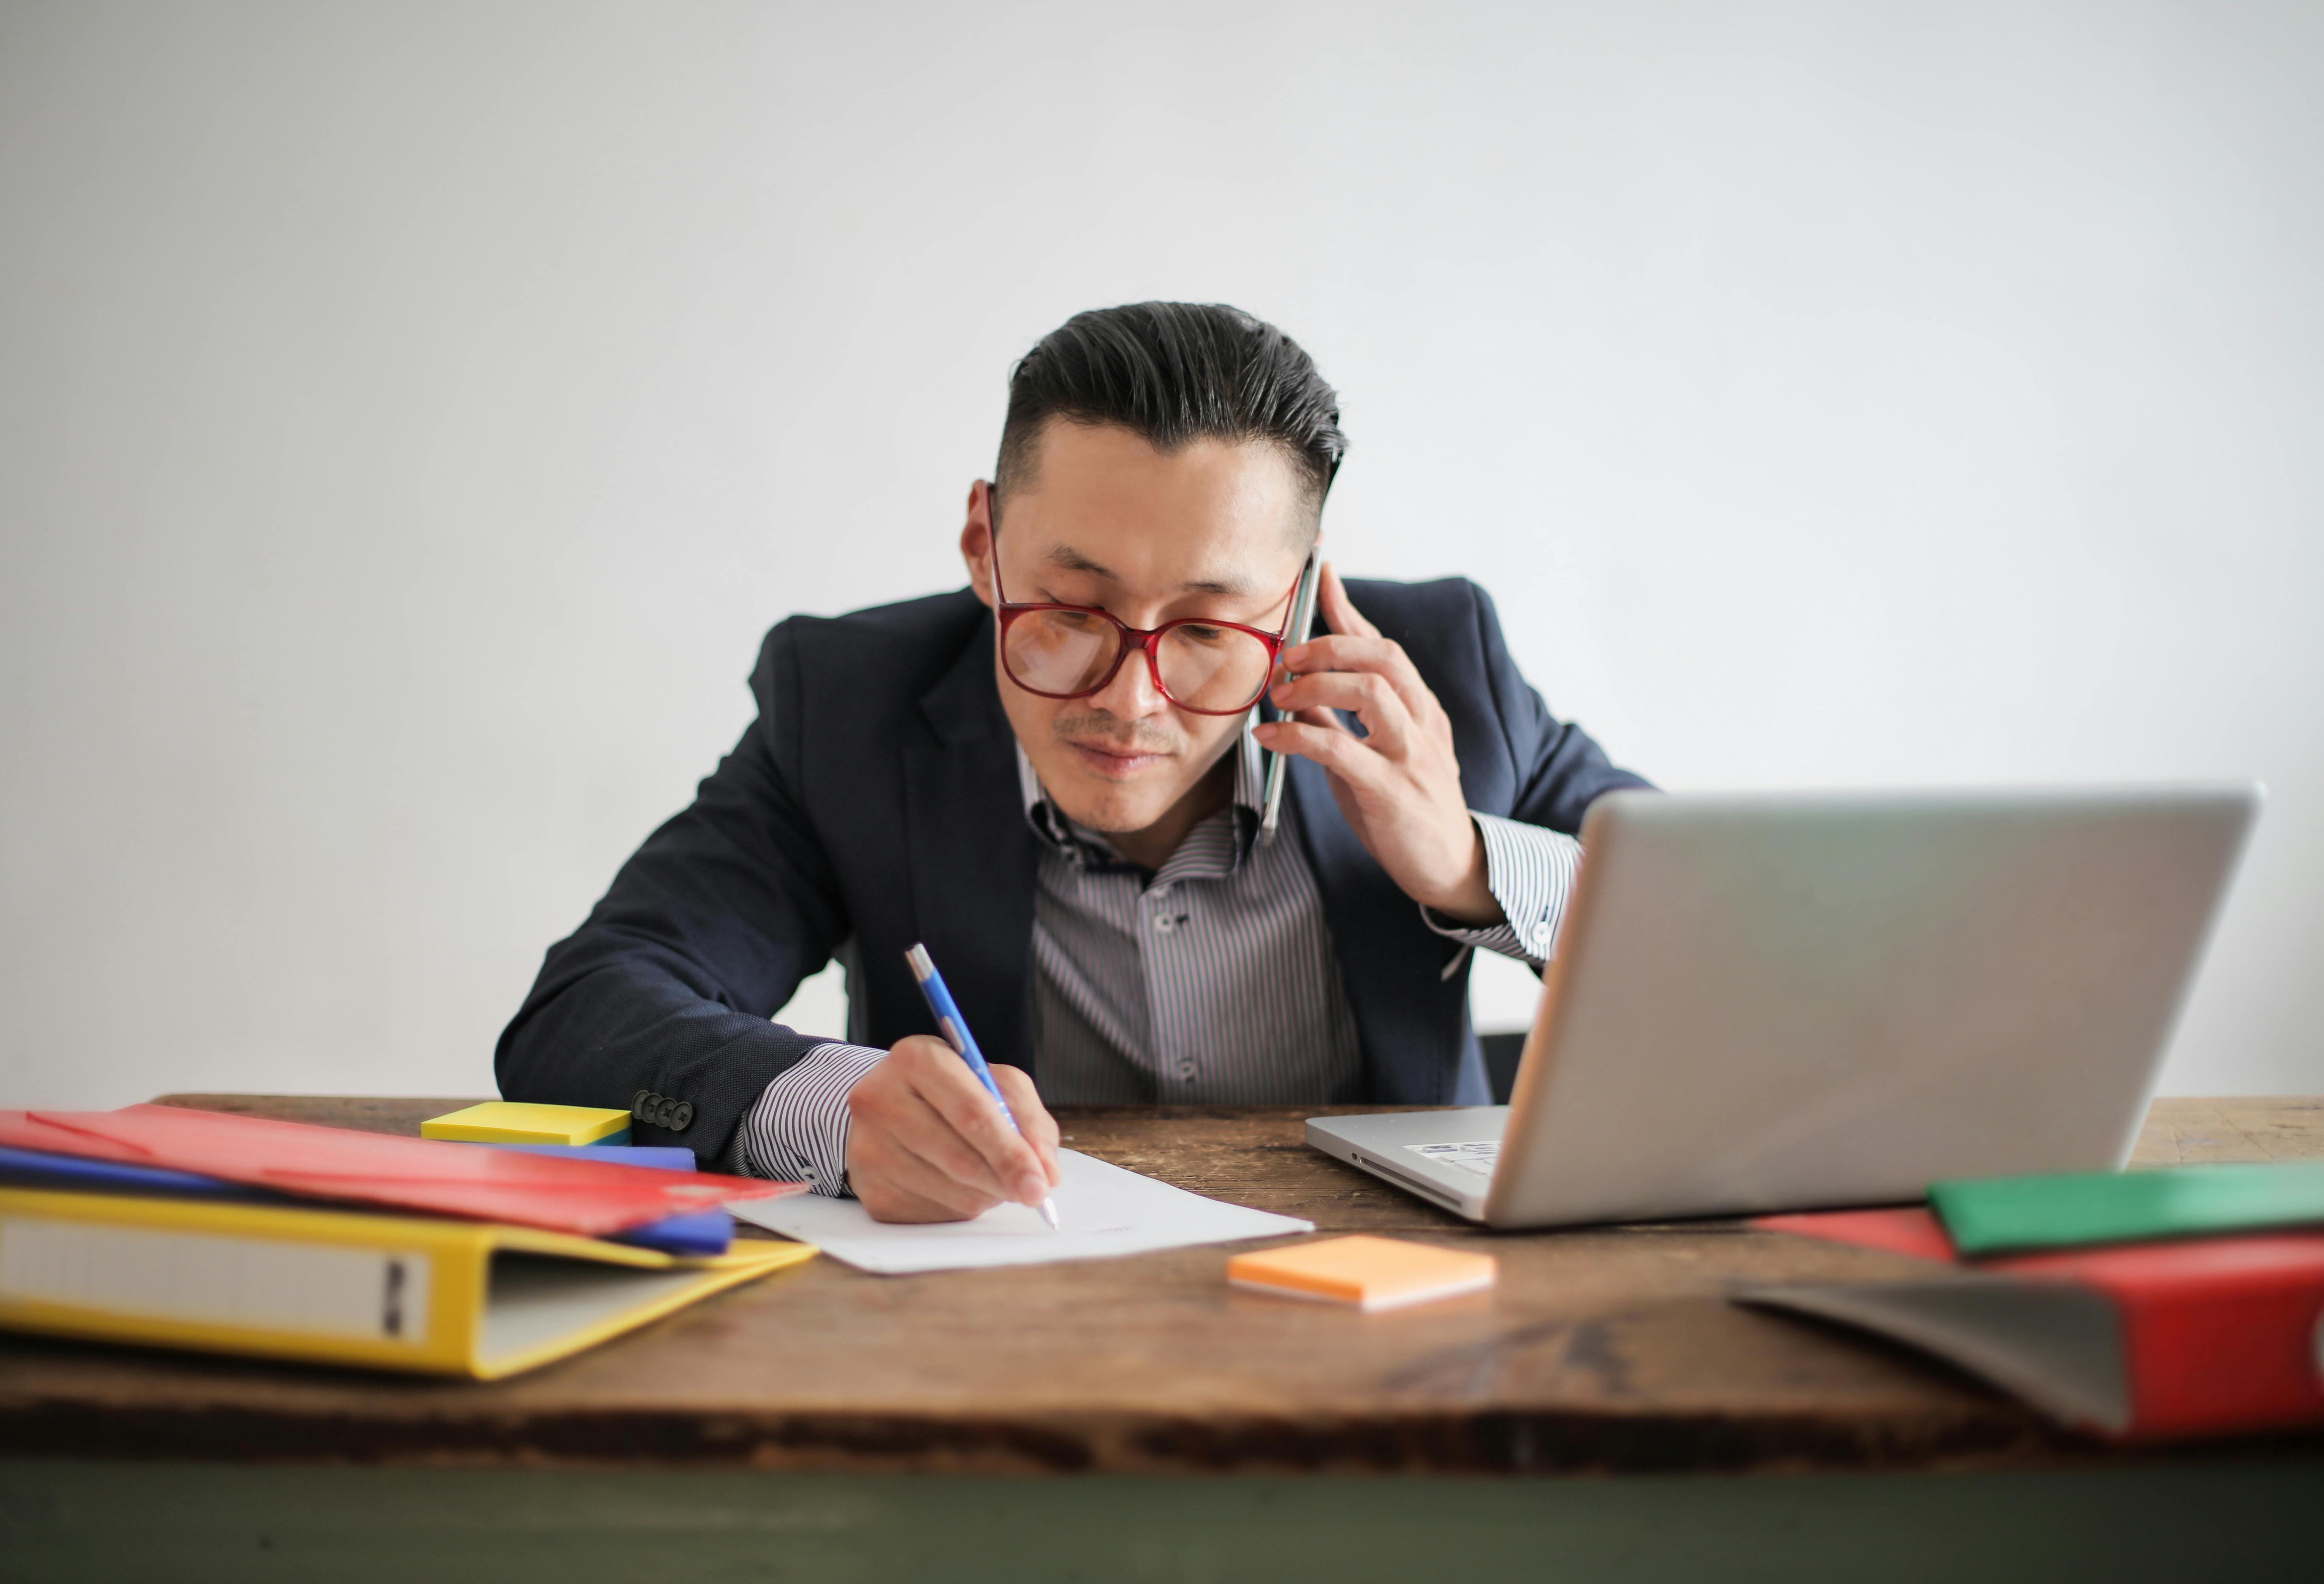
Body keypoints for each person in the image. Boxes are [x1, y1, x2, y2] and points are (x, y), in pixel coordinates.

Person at [497, 302, 1649, 1222]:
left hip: (1405, 1330)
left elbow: (1749, 948)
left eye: (1207, 629)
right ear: (983, 550)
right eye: (1070, 607)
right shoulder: (848, 705)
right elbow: (586, 1010)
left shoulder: (1446, 668)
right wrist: (837, 1109)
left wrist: (1470, 870)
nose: (1129, 700)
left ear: (1297, 602)